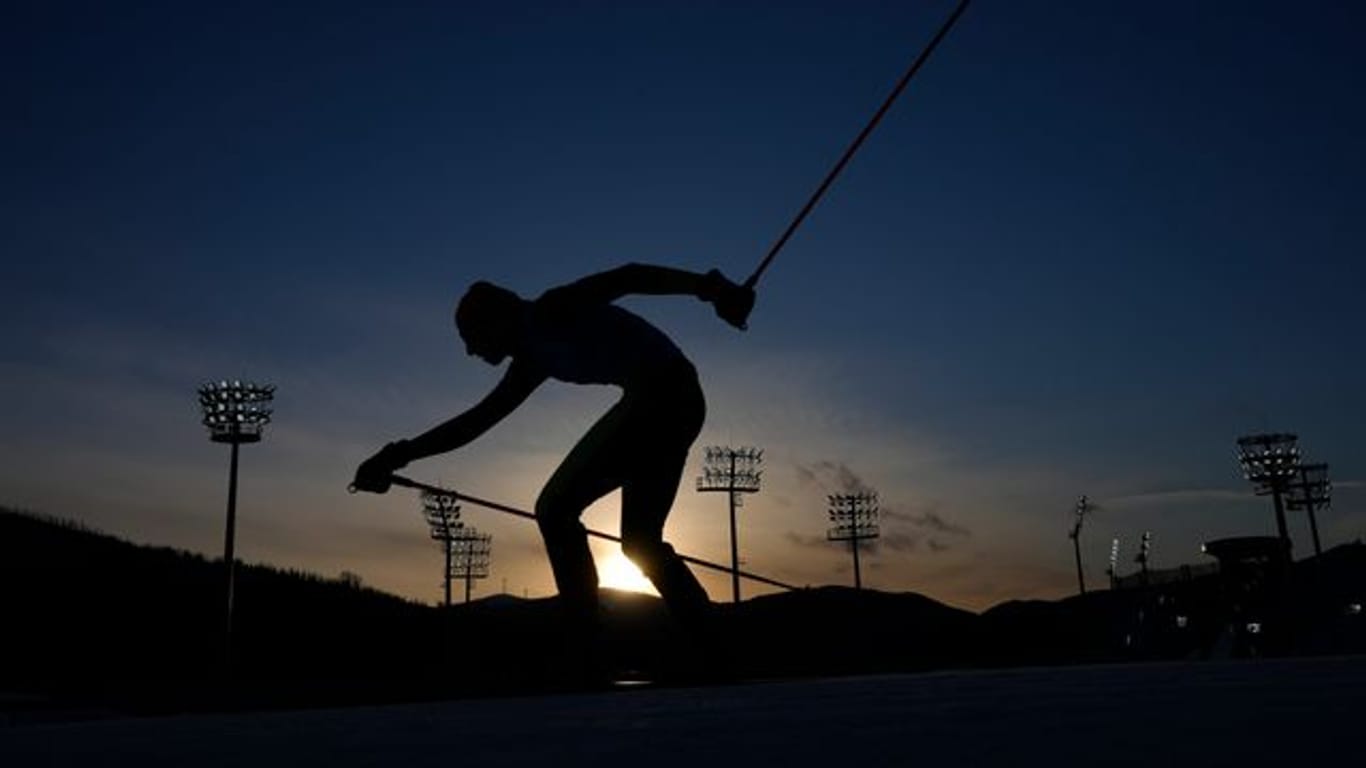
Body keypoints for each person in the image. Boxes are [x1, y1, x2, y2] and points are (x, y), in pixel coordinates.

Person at [352, 263, 753, 642]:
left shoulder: (552, 310)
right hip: (679, 401)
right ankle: (710, 640)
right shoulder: (531, 359)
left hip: (660, 396)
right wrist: (398, 454)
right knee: (639, 543)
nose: (470, 352)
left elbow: (628, 277)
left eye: (471, 337)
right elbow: (476, 422)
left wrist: (710, 287)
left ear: (495, 319)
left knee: (555, 508)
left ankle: (585, 641)